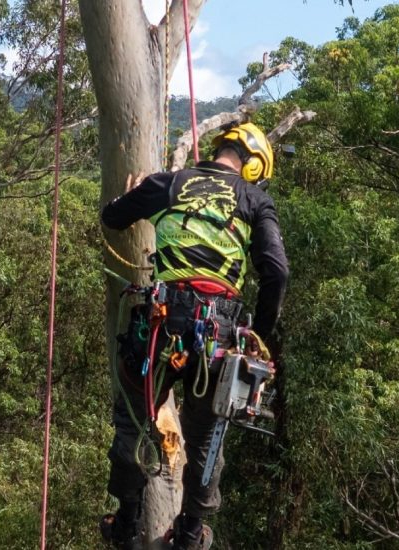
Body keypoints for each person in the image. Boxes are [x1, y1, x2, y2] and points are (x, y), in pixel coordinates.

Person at [99, 122, 289, 549]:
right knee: (205, 438)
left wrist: (133, 194)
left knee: (132, 422)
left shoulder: (168, 184)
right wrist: (259, 333)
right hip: (219, 333)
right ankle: (188, 535)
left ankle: (126, 524)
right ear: (254, 164)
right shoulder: (254, 199)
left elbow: (112, 217)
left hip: (161, 323)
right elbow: (276, 271)